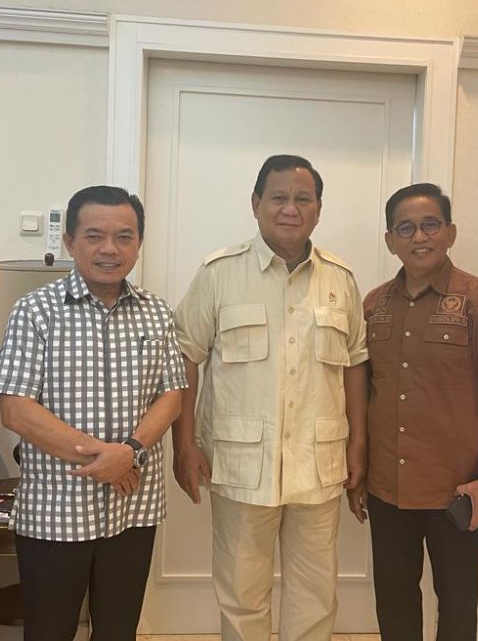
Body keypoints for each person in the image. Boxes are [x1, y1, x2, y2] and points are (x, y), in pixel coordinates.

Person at [173, 154, 369, 641]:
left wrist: (359, 444)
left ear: (318, 209)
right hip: (241, 466)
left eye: (303, 199)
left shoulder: (340, 279)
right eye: (279, 197)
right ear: (256, 203)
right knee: (241, 594)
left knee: (315, 596)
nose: (290, 208)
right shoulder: (219, 273)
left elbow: (355, 364)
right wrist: (185, 443)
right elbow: (185, 357)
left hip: (319, 465)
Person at [0, 185, 186, 641]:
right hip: (55, 508)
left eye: (124, 236)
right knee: (49, 629)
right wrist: (105, 458)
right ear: (70, 241)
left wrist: (130, 451)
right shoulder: (35, 311)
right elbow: (16, 410)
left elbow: (172, 395)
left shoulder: (157, 312)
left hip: (133, 504)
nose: (109, 249)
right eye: (94, 236)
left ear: (139, 243)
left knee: (118, 628)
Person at [348, 183, 478, 641]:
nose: (419, 237)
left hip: (456, 490)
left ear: (450, 232)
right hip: (386, 487)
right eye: (406, 228)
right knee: (394, 602)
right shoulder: (374, 305)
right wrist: (358, 470)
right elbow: (363, 394)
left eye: (430, 225)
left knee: (457, 605)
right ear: (390, 240)